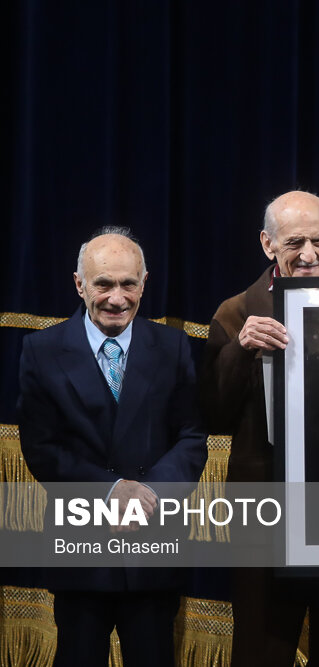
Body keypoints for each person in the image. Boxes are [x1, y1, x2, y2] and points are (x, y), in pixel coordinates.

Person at [17, 227, 207, 667]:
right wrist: (109, 491)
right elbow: (42, 449)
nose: (117, 297)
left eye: (128, 283)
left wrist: (149, 495)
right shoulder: (42, 351)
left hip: (153, 546)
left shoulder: (173, 346)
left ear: (144, 282)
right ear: (80, 284)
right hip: (81, 551)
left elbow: (192, 437)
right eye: (103, 284)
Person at [200, 191, 319, 666]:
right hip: (264, 513)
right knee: (261, 647)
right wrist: (241, 348)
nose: (309, 254)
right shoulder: (235, 312)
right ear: (267, 244)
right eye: (295, 242)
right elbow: (213, 414)